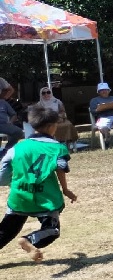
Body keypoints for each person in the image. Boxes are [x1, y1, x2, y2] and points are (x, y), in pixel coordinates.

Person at [0, 103, 77, 262]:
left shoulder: (17, 148)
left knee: (5, 231)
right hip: (45, 197)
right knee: (52, 230)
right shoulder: (57, 148)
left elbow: (3, 175)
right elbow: (61, 168)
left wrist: (15, 183)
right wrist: (65, 189)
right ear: (51, 127)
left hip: (19, 196)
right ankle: (29, 240)